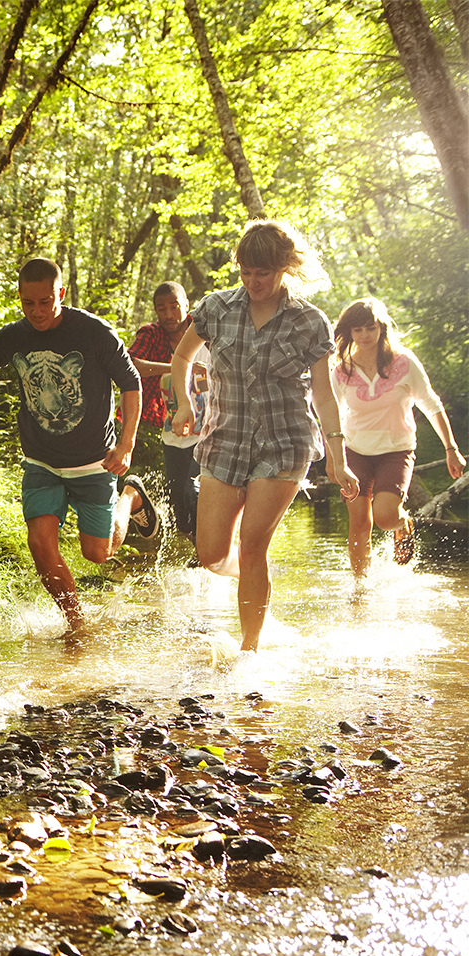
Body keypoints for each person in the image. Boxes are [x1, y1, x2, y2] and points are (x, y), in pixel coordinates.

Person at [169, 219, 357, 654]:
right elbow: (182, 356)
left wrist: (338, 457)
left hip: (284, 444)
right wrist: (184, 403)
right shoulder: (216, 308)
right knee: (213, 554)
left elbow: (325, 397)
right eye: (246, 272)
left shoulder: (310, 321)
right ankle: (256, 587)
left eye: (264, 273)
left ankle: (248, 651)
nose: (254, 282)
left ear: (285, 268)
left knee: (254, 546)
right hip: (223, 439)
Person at [0, 258, 155, 634]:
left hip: (93, 461)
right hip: (42, 461)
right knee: (40, 543)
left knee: (96, 553)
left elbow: (131, 384)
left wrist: (127, 443)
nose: (36, 311)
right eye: (28, 303)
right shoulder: (15, 335)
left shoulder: (94, 333)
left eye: (45, 301)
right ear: (19, 297)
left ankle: (129, 497)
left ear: (60, 295)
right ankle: (76, 625)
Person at [330, 297, 465, 575]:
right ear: (349, 333)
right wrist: (334, 460)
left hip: (396, 450)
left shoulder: (403, 362)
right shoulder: (341, 370)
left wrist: (450, 448)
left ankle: (402, 523)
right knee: (359, 524)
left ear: (381, 328)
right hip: (354, 451)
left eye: (370, 328)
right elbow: (329, 415)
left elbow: (431, 404)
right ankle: (360, 588)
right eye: (358, 330)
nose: (364, 335)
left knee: (385, 517)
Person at [128, 281, 206, 541]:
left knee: (193, 491)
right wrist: (178, 368)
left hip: (209, 430)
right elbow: (132, 366)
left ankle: (206, 553)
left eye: (174, 307)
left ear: (186, 306)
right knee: (179, 508)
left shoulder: (205, 331)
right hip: (173, 433)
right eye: (162, 309)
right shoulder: (152, 334)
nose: (169, 314)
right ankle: (197, 544)